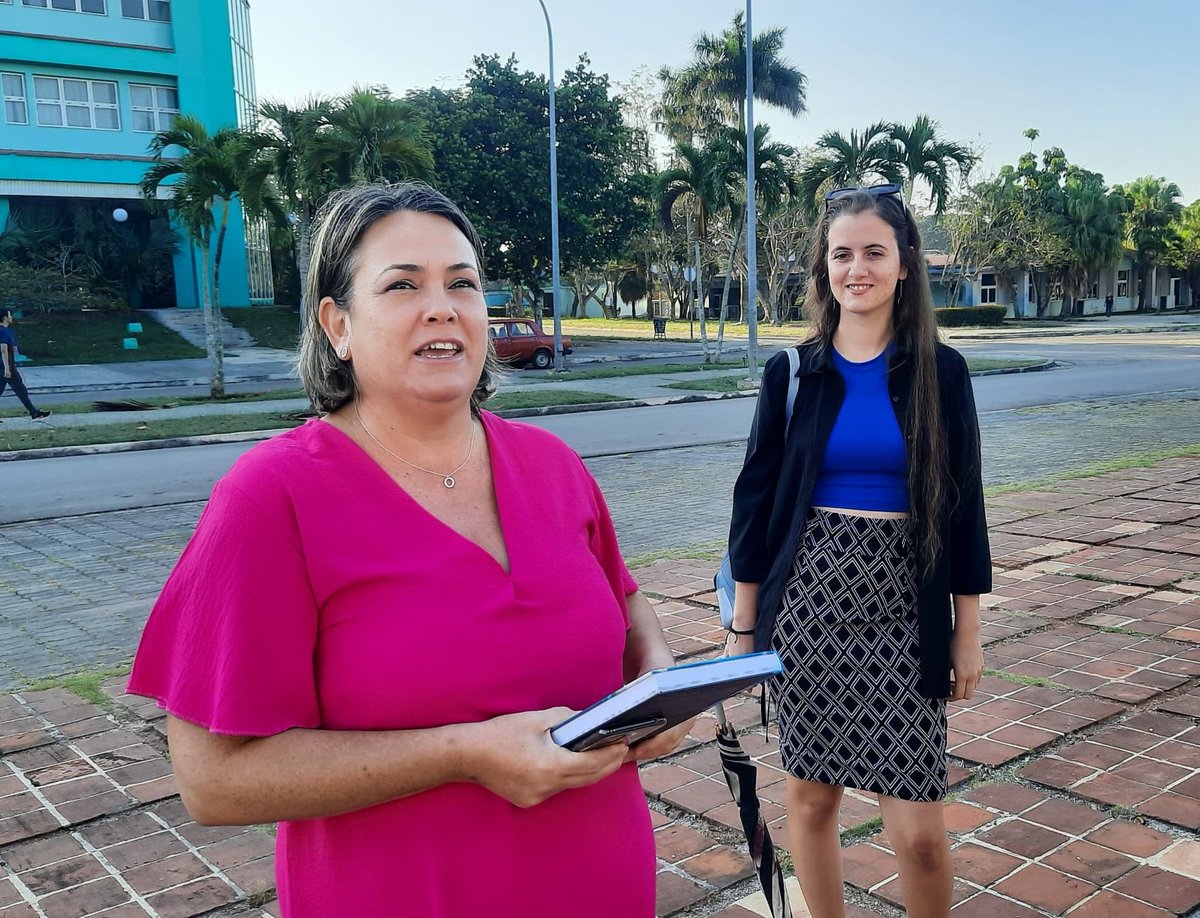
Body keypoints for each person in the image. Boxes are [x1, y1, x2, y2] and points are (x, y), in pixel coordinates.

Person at [127, 182, 692, 917]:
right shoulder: (272, 497)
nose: (442, 307)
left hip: (599, 881)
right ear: (338, 325)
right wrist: (461, 754)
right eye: (402, 285)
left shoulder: (553, 464)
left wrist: (658, 673)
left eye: (463, 284)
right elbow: (212, 781)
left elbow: (623, 596)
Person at [725, 183, 990, 917]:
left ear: (905, 263)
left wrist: (968, 629)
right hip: (810, 605)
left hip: (908, 607)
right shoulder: (792, 374)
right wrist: (744, 629)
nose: (857, 269)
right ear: (825, 267)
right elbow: (754, 507)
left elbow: (964, 506)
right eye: (842, 254)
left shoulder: (942, 372)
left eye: (875, 252)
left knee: (921, 835)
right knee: (812, 801)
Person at [0, 308, 51, 421]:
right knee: (21, 390)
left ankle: (34, 412)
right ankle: (35, 413)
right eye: (10, 315)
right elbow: (3, 350)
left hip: (2, 366)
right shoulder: (3, 331)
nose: (11, 317)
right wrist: (7, 368)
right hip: (6, 366)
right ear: (5, 317)